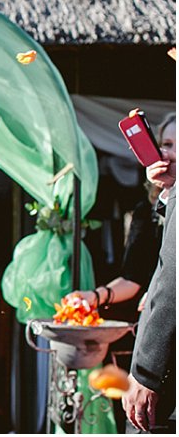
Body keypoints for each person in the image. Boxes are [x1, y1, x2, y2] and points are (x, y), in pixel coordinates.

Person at [65, 114, 175, 312]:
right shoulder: (147, 209)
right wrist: (94, 297)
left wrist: (163, 290)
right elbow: (132, 278)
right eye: (167, 144)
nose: (172, 153)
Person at [122, 113, 176, 434]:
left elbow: (173, 281)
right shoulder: (161, 201)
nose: (169, 153)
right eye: (166, 144)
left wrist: (146, 373)